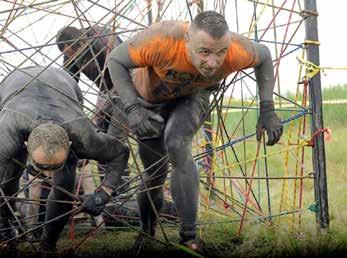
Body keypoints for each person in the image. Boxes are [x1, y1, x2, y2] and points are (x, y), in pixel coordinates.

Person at [107, 11, 283, 251]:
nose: (213, 62)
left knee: (177, 143)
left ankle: (189, 237)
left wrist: (267, 110)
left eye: (220, 53)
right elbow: (115, 60)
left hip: (192, 97)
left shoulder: (236, 49)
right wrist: (133, 108)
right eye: (204, 52)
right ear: (188, 40)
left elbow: (263, 55)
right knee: (154, 174)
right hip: (148, 105)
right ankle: (146, 234)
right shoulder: (161, 39)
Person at [0, 66, 128, 252]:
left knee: (64, 186)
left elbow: (120, 153)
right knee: (6, 180)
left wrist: (104, 193)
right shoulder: (6, 133)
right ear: (26, 146)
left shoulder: (83, 135)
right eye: (42, 167)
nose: (48, 175)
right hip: (13, 85)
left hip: (65, 85)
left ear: (69, 143)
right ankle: (6, 232)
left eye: (54, 166)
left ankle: (48, 245)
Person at [56, 25, 129, 189]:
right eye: (67, 55)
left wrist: (100, 110)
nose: (71, 58)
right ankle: (112, 190)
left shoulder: (103, 39)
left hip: (128, 85)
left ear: (82, 43)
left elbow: (127, 69)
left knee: (114, 141)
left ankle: (119, 190)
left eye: (73, 54)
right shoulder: (71, 51)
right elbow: (69, 83)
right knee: (100, 140)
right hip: (106, 91)